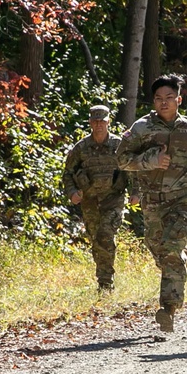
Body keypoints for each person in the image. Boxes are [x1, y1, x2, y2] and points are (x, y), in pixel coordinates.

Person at [116, 74, 187, 333]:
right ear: (153, 101)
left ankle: (168, 308)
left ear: (179, 100)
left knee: (171, 252)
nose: (163, 103)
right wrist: (150, 160)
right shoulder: (142, 128)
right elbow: (121, 159)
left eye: (168, 98)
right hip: (152, 201)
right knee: (159, 251)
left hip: (182, 199)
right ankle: (185, 253)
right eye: (158, 99)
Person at [62, 105, 136, 291]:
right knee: (96, 239)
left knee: (105, 235)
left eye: (102, 121)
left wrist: (136, 192)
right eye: (95, 121)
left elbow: (133, 171)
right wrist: (72, 192)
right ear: (90, 123)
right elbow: (68, 173)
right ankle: (103, 277)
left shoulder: (119, 145)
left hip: (114, 198)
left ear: (108, 121)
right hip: (90, 201)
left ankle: (106, 283)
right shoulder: (81, 148)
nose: (99, 125)